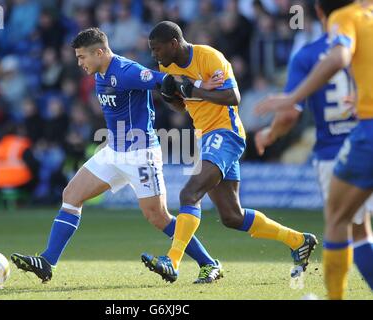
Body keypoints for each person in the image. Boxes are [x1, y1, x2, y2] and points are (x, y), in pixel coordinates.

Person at [11, 27, 225, 284]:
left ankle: (208, 263)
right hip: (114, 151)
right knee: (71, 195)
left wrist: (201, 86)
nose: (80, 63)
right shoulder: (100, 72)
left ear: (99, 52)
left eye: (82, 57)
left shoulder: (126, 71)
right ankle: (47, 261)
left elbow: (164, 81)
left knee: (157, 216)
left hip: (141, 155)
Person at [141, 21, 317, 283]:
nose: (154, 55)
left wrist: (193, 88)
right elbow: (185, 107)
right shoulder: (168, 66)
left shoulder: (209, 57)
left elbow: (233, 97)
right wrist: (171, 98)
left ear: (173, 44)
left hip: (225, 133)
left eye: (157, 49)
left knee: (189, 193)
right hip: (207, 137)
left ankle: (173, 261)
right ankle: (298, 240)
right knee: (232, 216)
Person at [255, 0, 373, 300]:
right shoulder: (368, 20)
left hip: (342, 148)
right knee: (361, 229)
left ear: (320, 12)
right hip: (360, 133)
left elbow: (292, 112)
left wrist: (273, 125)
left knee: (342, 224)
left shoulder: (316, 46)